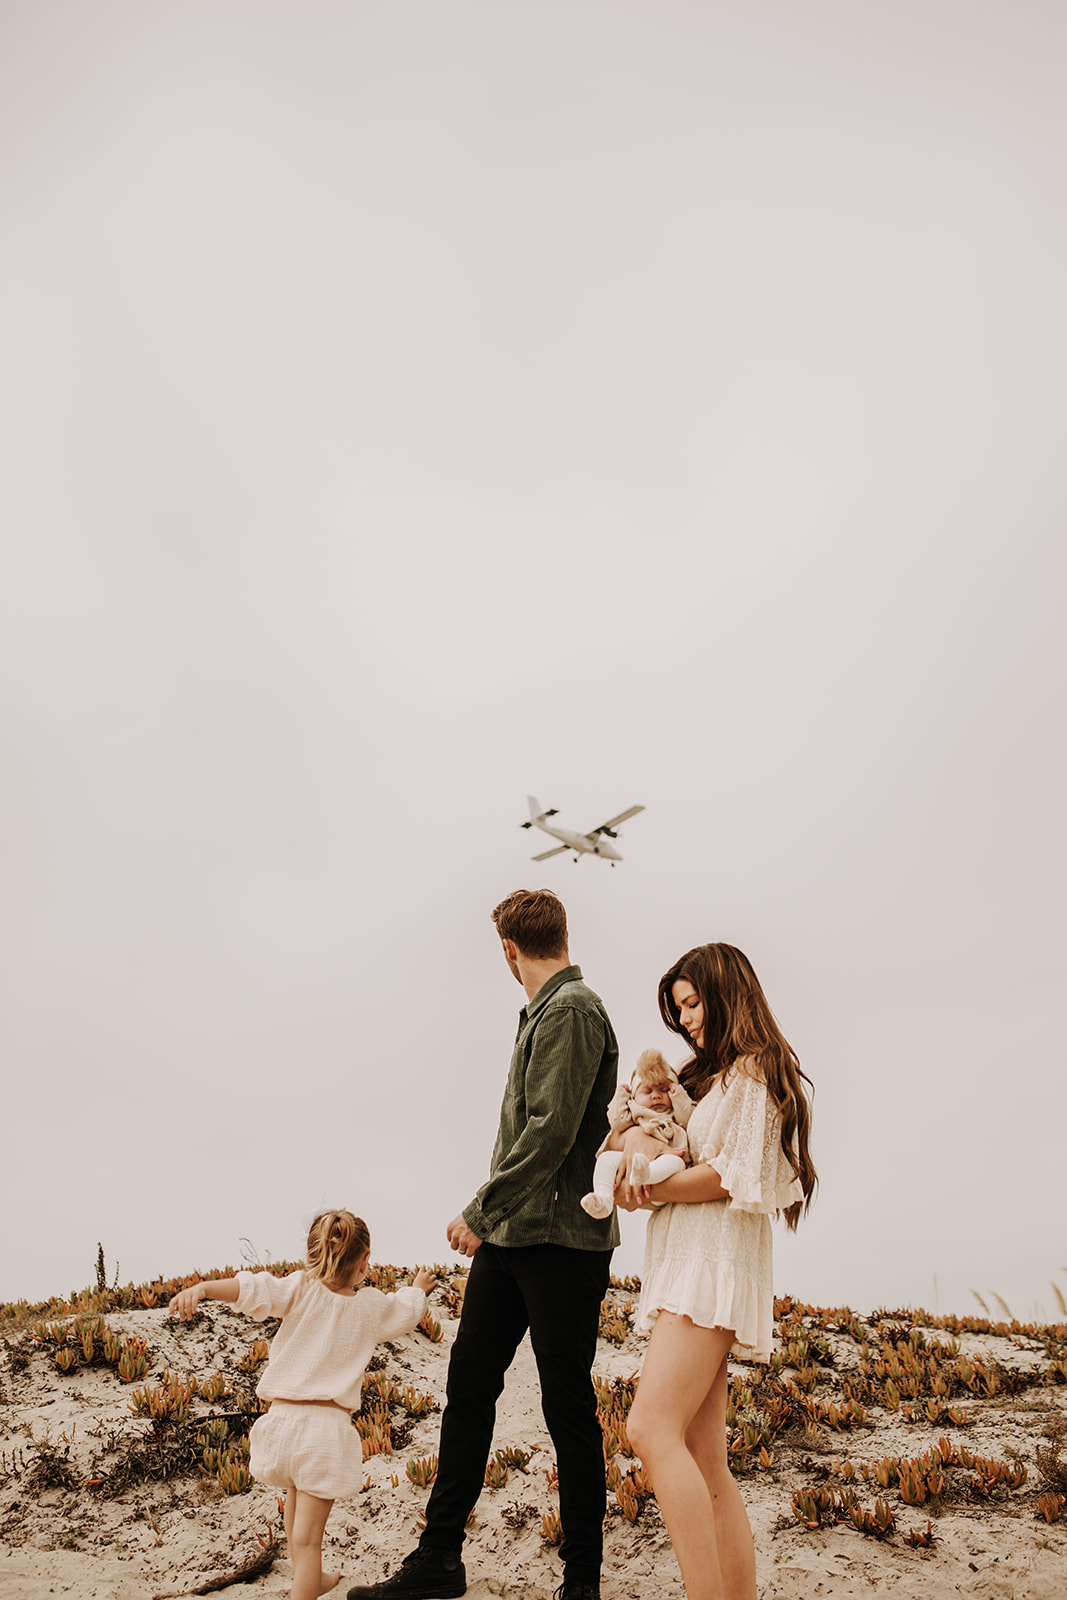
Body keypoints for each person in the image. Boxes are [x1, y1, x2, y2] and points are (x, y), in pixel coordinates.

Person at [347, 889, 619, 1600]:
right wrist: (496, 1219)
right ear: (560, 935)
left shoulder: (571, 1010)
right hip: (515, 1238)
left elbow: (551, 1132)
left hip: (561, 1241)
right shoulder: (544, 1010)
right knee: (468, 1387)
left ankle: (581, 1582)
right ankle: (439, 1557)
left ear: (509, 951)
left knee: (566, 1408)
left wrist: (480, 1208)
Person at [615, 944, 816, 1600]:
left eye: (693, 1003)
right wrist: (634, 1151)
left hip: (711, 1265)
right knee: (705, 1460)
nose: (686, 1020)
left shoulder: (756, 1071)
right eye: (679, 1010)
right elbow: (652, 1134)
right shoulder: (717, 1077)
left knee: (647, 1428)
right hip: (688, 1262)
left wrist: (653, 1188)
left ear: (727, 991)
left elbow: (735, 1177)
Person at [168, 1211, 435, 1600]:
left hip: (282, 1423)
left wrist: (205, 1288)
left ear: (314, 1251)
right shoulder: (369, 1307)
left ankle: (314, 1578)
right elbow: (405, 1312)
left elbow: (251, 1289)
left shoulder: (299, 1288)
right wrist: (418, 1289)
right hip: (323, 1431)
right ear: (365, 1262)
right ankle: (307, 1585)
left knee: (293, 1515)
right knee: (309, 1540)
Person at [580, 1047, 693, 1219]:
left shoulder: (673, 1113)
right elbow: (617, 1122)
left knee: (675, 1161)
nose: (656, 1096)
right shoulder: (634, 1112)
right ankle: (603, 1198)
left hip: (662, 1177)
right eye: (647, 1091)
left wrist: (678, 1096)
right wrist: (621, 1096)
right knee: (605, 1160)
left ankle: (648, 1173)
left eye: (664, 1090)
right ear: (634, 1097)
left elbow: (688, 1118)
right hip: (632, 1167)